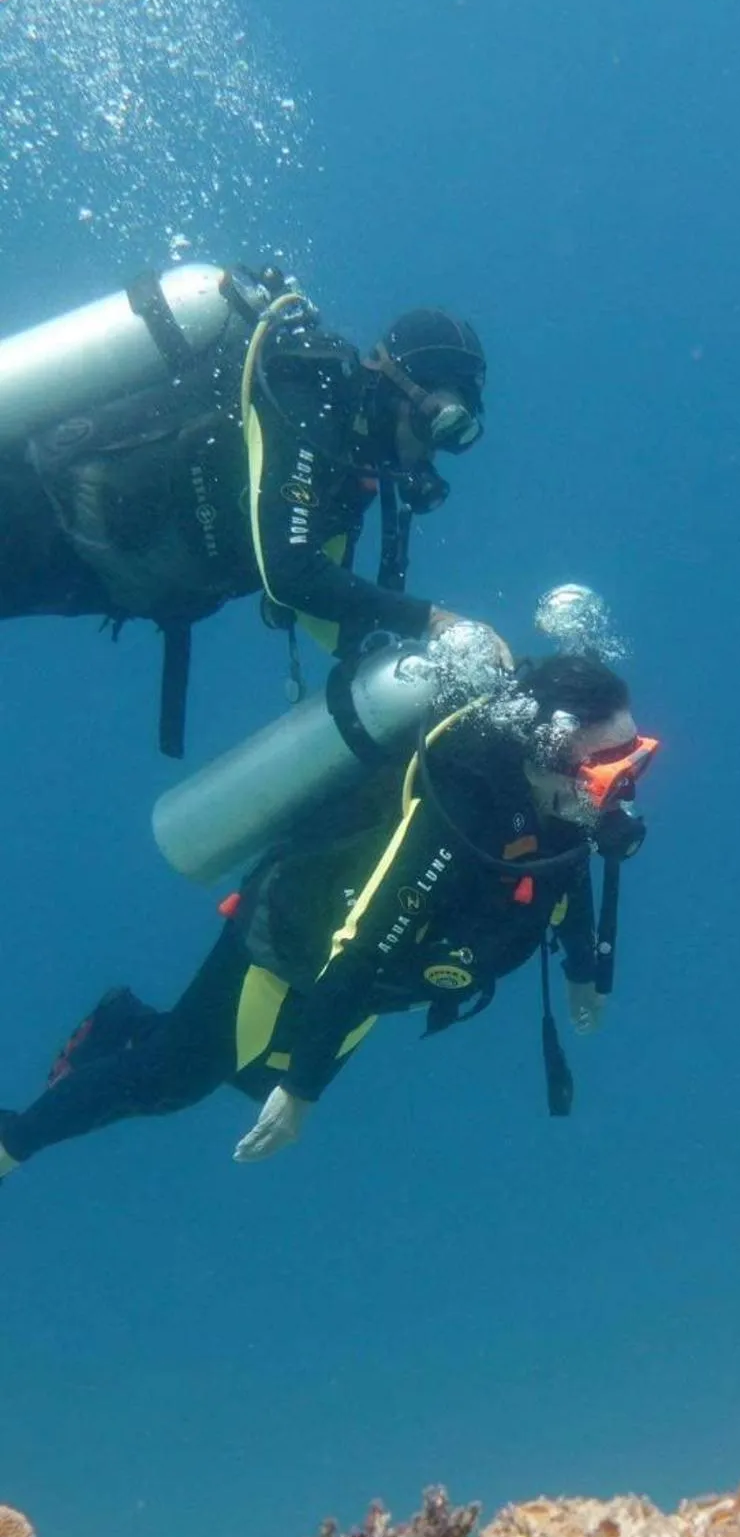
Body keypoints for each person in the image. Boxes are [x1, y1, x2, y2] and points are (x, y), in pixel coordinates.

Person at [0, 656, 658, 1181]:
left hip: (361, 987)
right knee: (173, 1079)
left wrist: (582, 970)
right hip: (292, 948)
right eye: (610, 771)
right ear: (548, 748)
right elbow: (364, 940)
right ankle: (15, 1140)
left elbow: (562, 878)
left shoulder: (557, 807)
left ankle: (128, 1023)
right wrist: (303, 1091)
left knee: (246, 1075)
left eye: (636, 761)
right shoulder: (459, 811)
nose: (624, 791)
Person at [0, 264, 501, 752]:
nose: (434, 450)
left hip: (89, 572)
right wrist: (433, 620)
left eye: (455, 435)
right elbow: (291, 573)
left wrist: (432, 672)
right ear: (401, 387)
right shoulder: (309, 396)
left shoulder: (350, 471)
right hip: (37, 505)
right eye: (441, 421)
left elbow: (331, 616)